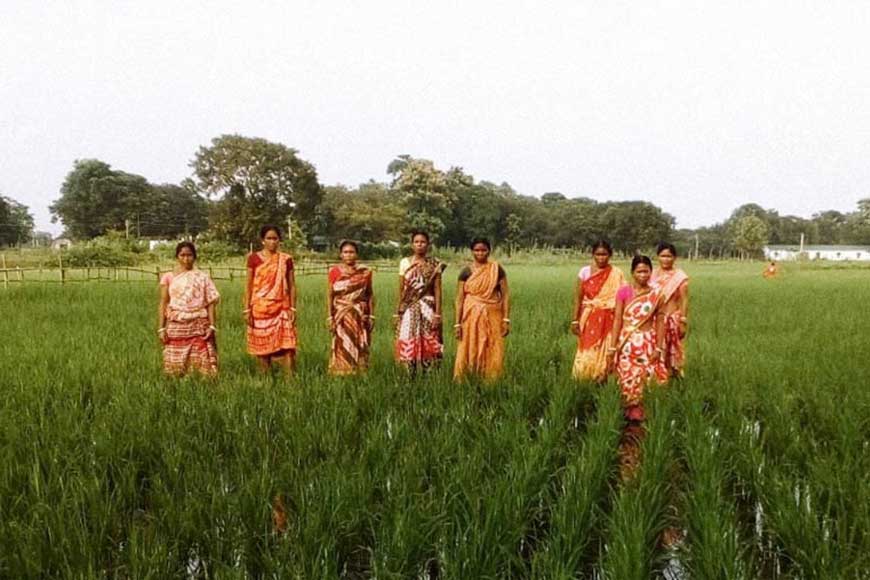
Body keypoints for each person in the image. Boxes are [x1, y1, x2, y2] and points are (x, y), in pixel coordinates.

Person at [608, 255, 669, 422]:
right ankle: (626, 411)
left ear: (651, 272)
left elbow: (661, 321)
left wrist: (658, 347)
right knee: (626, 376)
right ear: (632, 272)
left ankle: (643, 413)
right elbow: (618, 320)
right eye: (639, 271)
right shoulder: (624, 292)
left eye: (646, 271)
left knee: (645, 377)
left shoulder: (657, 294)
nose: (643, 275)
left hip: (647, 342)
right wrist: (613, 348)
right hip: (627, 343)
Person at [158, 241, 220, 377]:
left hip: (199, 324)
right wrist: (161, 328)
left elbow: (210, 302)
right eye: (182, 255)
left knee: (202, 363)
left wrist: (212, 326)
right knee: (175, 364)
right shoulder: (168, 277)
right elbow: (164, 302)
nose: (186, 259)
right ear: (177, 257)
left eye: (189, 255)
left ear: (195, 257)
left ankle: (201, 386)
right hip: (176, 325)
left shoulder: (202, 277)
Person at [453, 238, 510, 381]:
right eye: (477, 250)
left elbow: (506, 295)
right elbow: (460, 299)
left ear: (489, 251)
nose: (480, 253)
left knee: (492, 344)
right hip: (470, 315)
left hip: (493, 314)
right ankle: (468, 376)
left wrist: (506, 319)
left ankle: (491, 379)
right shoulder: (465, 272)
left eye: (483, 250)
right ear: (472, 251)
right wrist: (457, 323)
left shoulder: (497, 270)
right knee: (469, 343)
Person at [244, 225, 297, 376]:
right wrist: (247, 310)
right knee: (262, 349)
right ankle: (265, 382)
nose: (272, 242)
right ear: (262, 240)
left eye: (275, 238)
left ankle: (290, 383)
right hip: (260, 310)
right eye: (269, 238)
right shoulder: (253, 259)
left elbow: (292, 285)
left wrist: (293, 308)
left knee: (288, 346)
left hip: (282, 308)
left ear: (279, 240)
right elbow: (248, 286)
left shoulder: (286, 260)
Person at [571, 240, 626, 382]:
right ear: (593, 255)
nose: (601, 258)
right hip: (589, 318)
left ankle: (603, 378)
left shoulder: (617, 273)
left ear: (610, 255)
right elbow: (578, 297)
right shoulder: (584, 272)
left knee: (607, 349)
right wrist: (575, 320)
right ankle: (584, 379)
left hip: (611, 318)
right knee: (587, 349)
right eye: (598, 254)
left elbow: (627, 297)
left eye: (604, 254)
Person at [394, 231, 446, 373]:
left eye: (423, 242)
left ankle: (427, 373)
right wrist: (397, 312)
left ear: (428, 245)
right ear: (412, 245)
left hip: (428, 306)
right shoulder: (404, 263)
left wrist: (437, 314)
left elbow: (437, 290)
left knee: (428, 338)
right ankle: (410, 373)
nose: (419, 244)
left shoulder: (434, 265)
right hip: (409, 307)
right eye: (416, 242)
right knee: (409, 337)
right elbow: (401, 289)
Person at [328, 240, 375, 375]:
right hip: (341, 314)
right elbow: (330, 295)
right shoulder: (334, 272)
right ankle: (342, 372)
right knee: (341, 343)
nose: (348, 255)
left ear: (357, 254)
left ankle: (360, 373)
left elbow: (370, 294)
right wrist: (329, 316)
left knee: (360, 342)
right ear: (341, 255)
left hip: (359, 314)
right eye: (345, 252)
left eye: (351, 252)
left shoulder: (365, 272)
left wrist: (371, 315)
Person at [651, 242, 689, 379]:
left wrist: (683, 321)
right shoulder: (652, 274)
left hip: (672, 318)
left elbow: (684, 299)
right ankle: (657, 377)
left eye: (669, 256)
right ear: (657, 257)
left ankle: (673, 377)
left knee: (671, 351)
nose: (666, 259)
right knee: (656, 348)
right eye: (662, 256)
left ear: (674, 258)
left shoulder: (680, 277)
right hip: (655, 320)